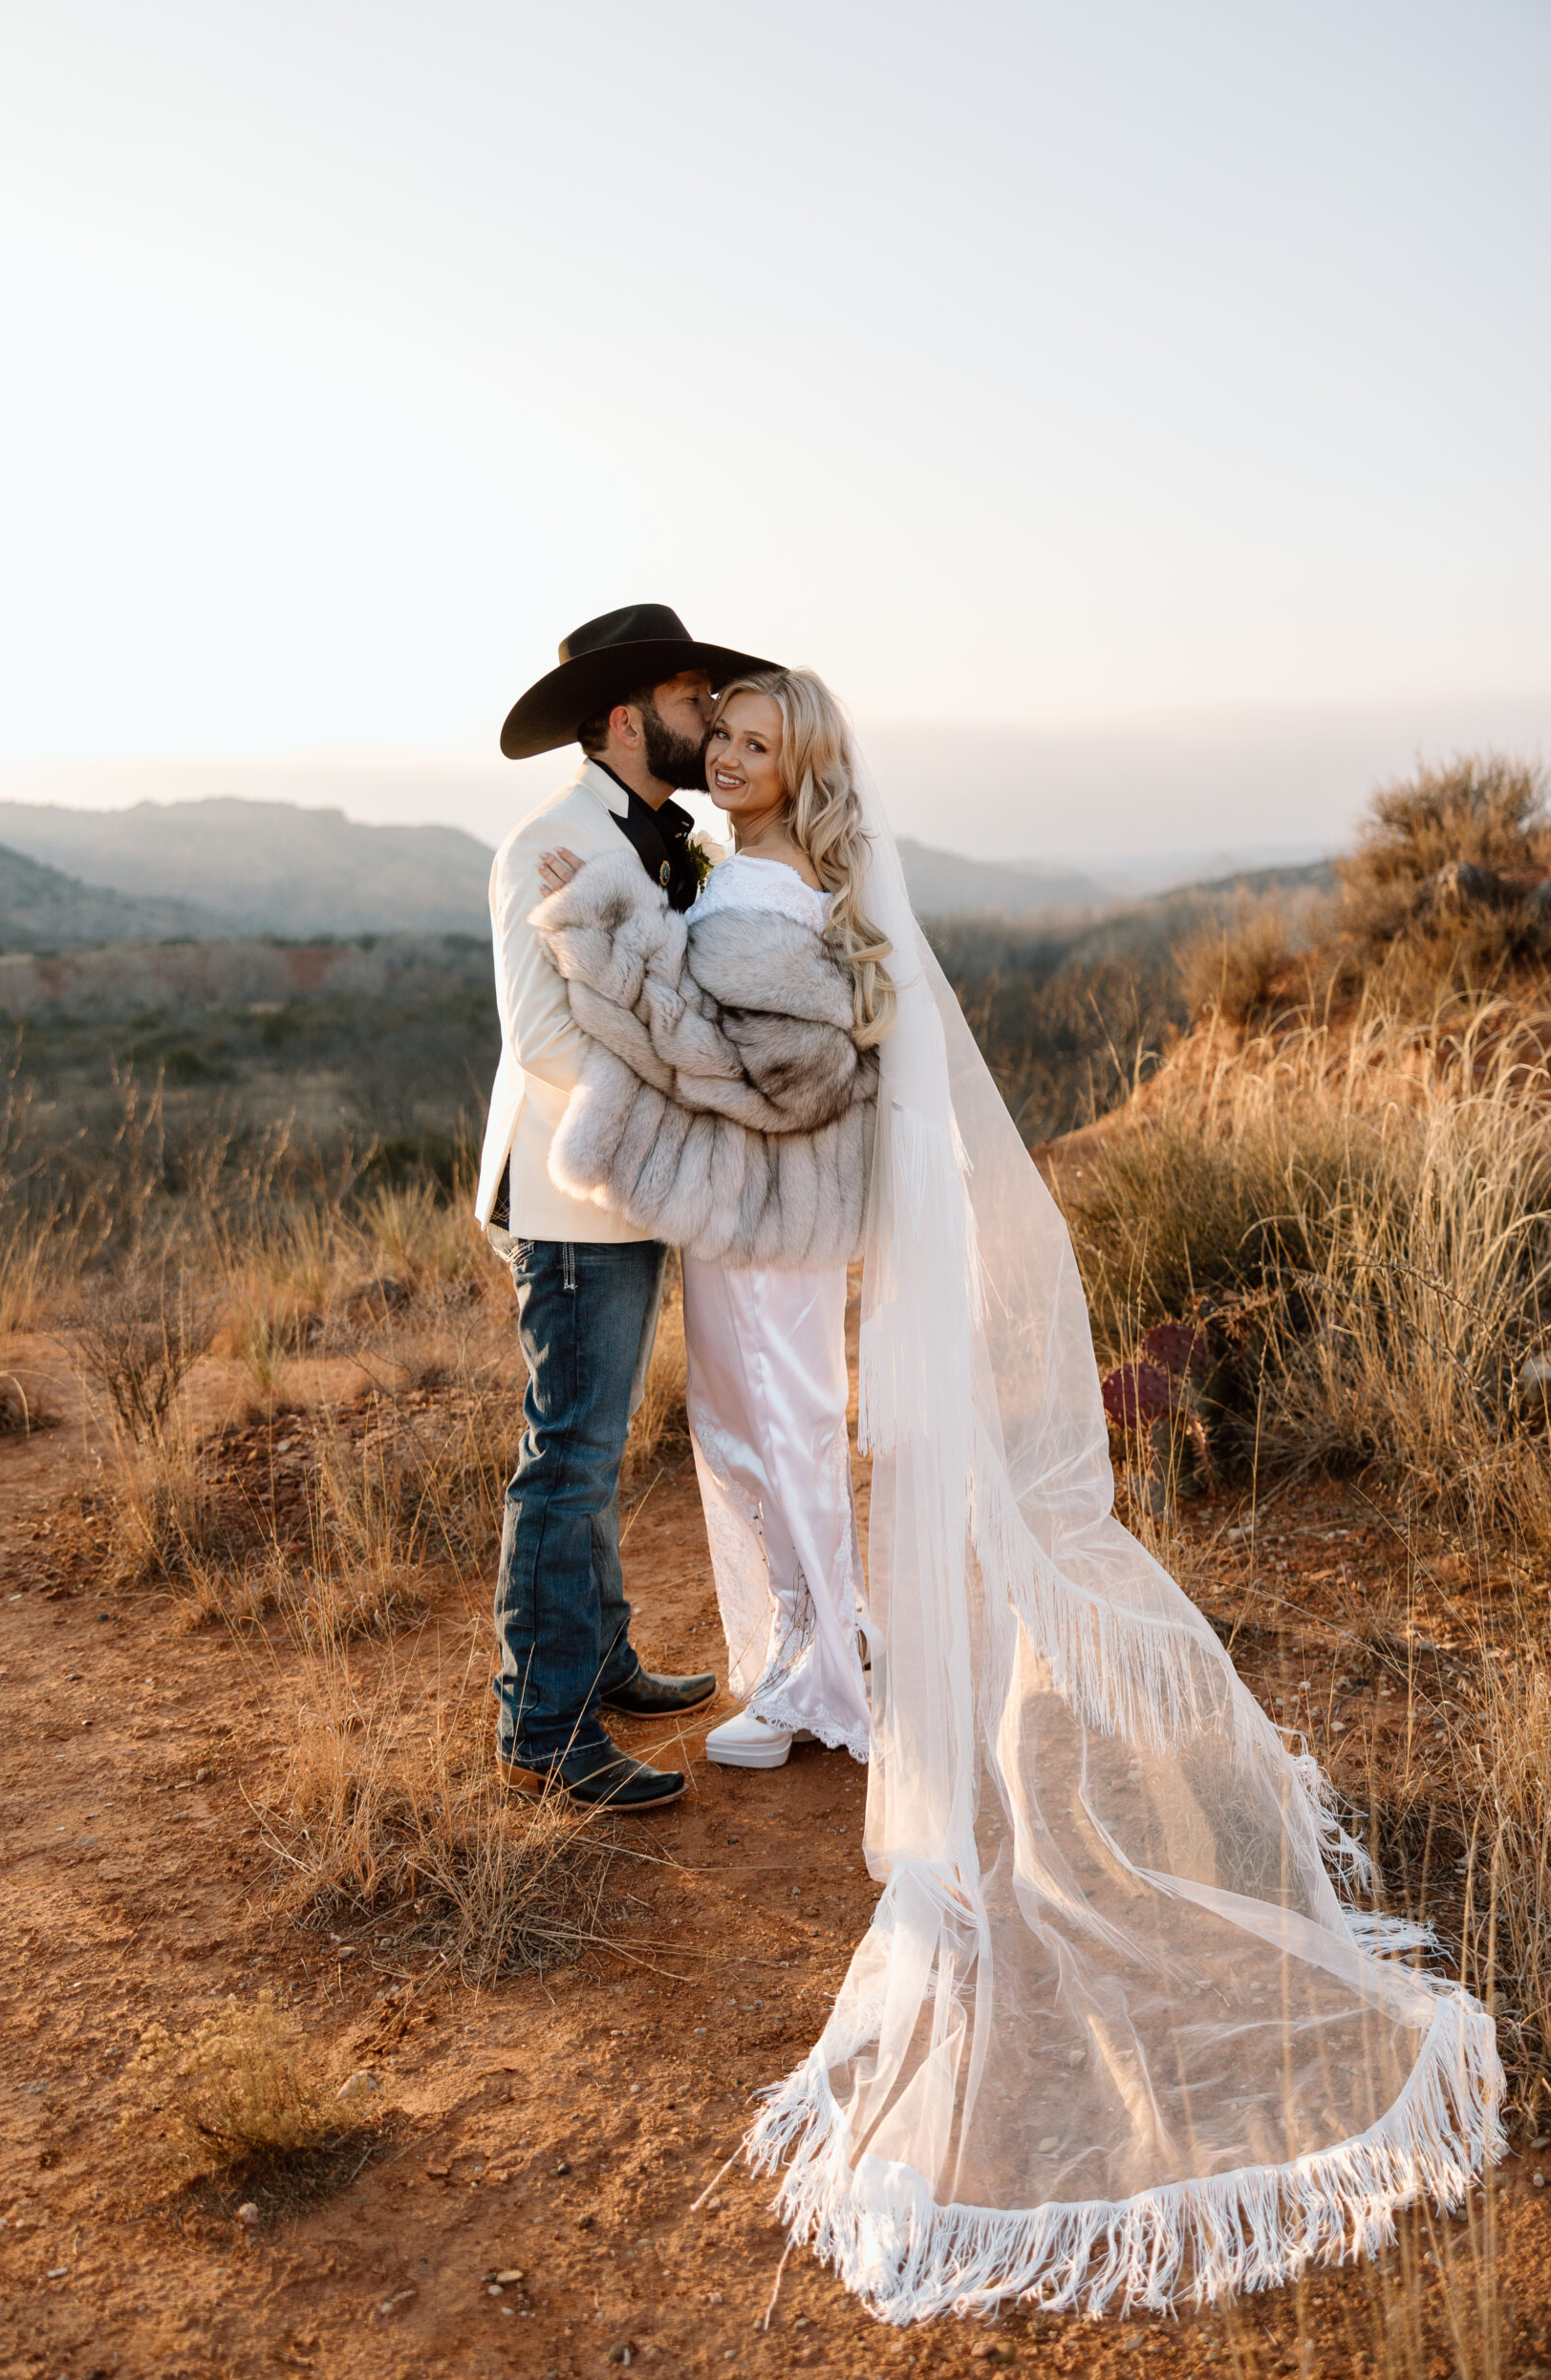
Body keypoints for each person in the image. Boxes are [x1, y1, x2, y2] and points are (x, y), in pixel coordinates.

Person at [527, 663, 1505, 2322]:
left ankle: (935, 1774)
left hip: (801, 1234)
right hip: (838, 1238)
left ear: (800, 770)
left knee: (897, 1495)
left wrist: (593, 928)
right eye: (726, 738)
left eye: (759, 743)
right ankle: (890, 1715)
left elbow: (705, 1044)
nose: (733, 758)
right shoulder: (799, 885)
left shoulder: (762, 894)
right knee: (911, 1496)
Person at [478, 603, 774, 1813]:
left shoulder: (672, 845)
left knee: (596, 1457)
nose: (708, 721)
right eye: (693, 699)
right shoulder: (543, 845)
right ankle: (544, 1726)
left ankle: (600, 1660)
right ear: (622, 715)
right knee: (570, 1456)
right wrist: (697, 1090)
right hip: (570, 1195)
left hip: (636, 1189)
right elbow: (542, 1041)